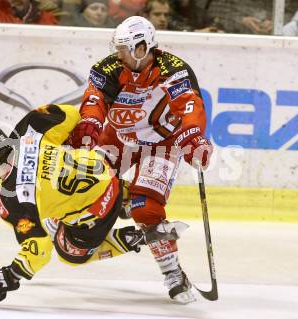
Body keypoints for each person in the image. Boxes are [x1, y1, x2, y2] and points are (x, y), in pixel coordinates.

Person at [0, 104, 185, 302]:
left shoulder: (10, 200)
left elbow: (39, 248)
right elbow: (72, 115)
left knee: (70, 253)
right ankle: (126, 198)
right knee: (69, 185)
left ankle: (138, 238)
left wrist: (10, 274)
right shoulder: (30, 127)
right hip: (110, 177)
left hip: (95, 214)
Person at [70, 16, 213, 304]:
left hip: (162, 144)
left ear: (141, 47)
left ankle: (173, 272)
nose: (118, 53)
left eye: (124, 48)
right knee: (84, 180)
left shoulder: (173, 69)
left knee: (145, 208)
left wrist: (194, 137)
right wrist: (90, 122)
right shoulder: (108, 68)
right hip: (119, 137)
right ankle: (101, 206)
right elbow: (95, 99)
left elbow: (189, 105)